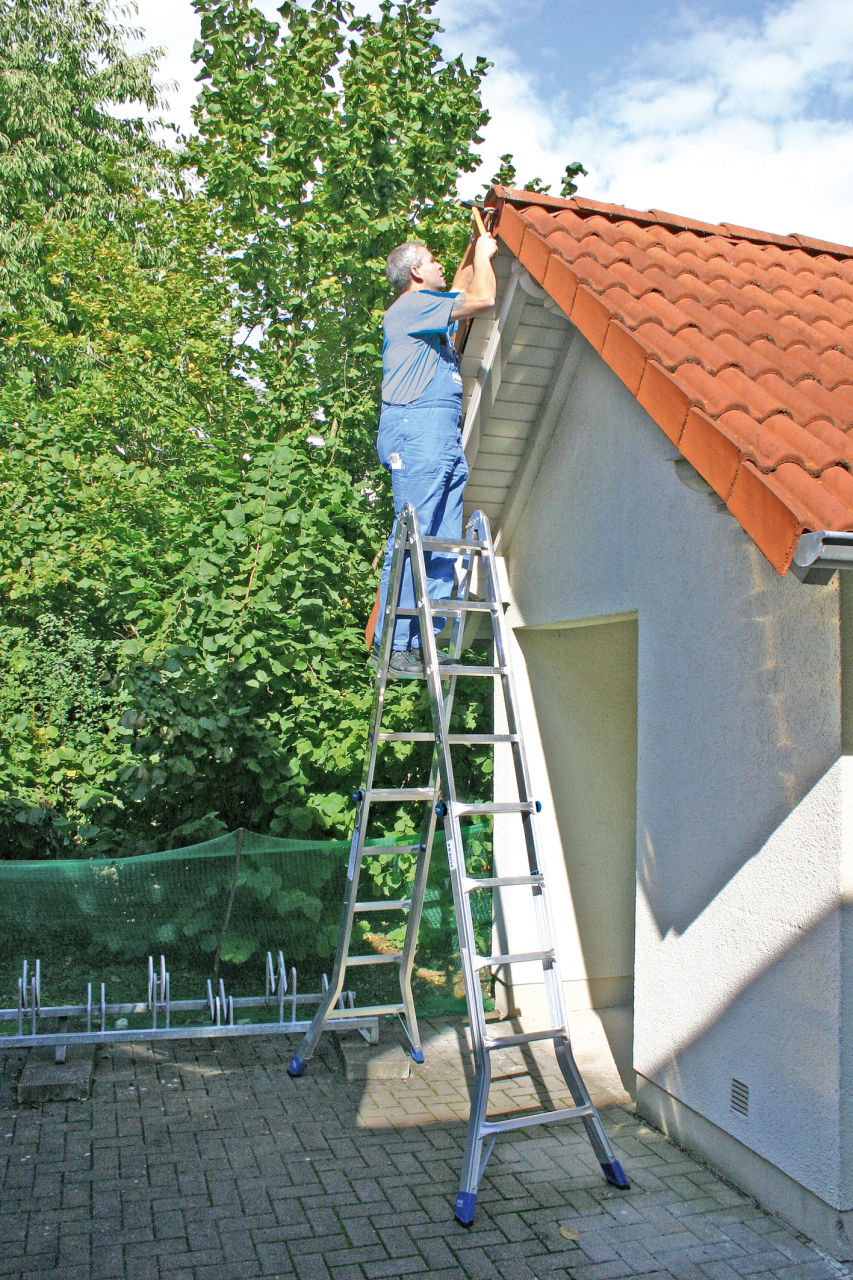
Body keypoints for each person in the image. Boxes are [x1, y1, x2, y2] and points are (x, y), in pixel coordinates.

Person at [372, 231, 499, 677]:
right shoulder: (411, 306)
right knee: (413, 538)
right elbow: (481, 297)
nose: (440, 265)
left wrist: (478, 240)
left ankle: (424, 640)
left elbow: (460, 285)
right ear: (414, 272)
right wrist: (485, 255)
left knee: (442, 542)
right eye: (432, 261)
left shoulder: (429, 313)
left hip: (441, 435)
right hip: (416, 429)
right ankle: (394, 645)